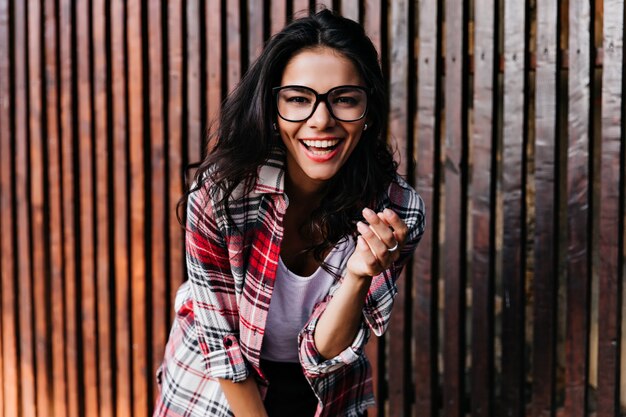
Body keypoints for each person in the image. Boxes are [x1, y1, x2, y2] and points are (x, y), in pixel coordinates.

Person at [153, 9, 425, 417]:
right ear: (272, 108)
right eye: (298, 99)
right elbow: (223, 349)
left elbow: (328, 351)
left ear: (368, 112)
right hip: (214, 390)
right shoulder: (220, 195)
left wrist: (357, 274)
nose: (321, 121)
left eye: (345, 100)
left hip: (323, 391)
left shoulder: (397, 212)